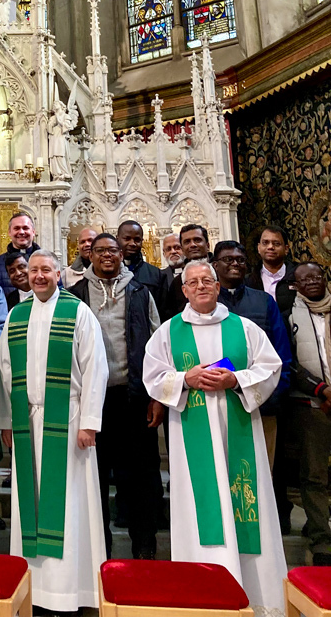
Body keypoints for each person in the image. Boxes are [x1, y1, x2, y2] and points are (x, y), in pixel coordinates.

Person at [143, 259, 287, 614]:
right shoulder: (168, 331)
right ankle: (203, 594)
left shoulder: (244, 327)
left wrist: (236, 379)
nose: (201, 286)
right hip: (191, 430)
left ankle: (256, 594)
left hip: (238, 425)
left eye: (207, 280)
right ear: (184, 290)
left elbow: (271, 368)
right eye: (193, 282)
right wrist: (185, 379)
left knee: (245, 501)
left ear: (218, 286)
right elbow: (152, 376)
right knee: (200, 503)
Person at [0, 250, 108, 612]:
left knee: (69, 505)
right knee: (31, 503)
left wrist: (90, 421)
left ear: (59, 274)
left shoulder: (78, 312)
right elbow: (5, 370)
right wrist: (6, 420)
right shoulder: (17, 315)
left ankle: (71, 590)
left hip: (69, 420)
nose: (39, 276)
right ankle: (35, 590)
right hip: (27, 421)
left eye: (46, 270)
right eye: (33, 271)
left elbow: (96, 367)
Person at [69, 233, 163, 558]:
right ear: (90, 255)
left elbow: (157, 346)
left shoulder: (140, 292)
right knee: (93, 478)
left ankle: (144, 549)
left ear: (122, 255)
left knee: (140, 478)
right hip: (91, 401)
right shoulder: (76, 295)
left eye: (112, 250)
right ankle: (99, 552)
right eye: (100, 250)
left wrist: (156, 396)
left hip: (133, 397)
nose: (107, 255)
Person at [212, 240, 291, 468]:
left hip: (262, 403)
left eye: (240, 260)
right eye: (228, 259)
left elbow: (281, 352)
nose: (235, 264)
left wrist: (273, 394)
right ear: (215, 265)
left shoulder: (263, 301)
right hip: (218, 406)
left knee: (262, 471)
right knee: (223, 471)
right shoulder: (207, 303)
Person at [283, 262, 331, 564]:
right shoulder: (289, 315)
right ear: (296, 286)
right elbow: (289, 361)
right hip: (313, 404)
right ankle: (322, 540)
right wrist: (321, 390)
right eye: (305, 279)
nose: (312, 282)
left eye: (317, 276)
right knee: (314, 475)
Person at [163, 223, 212, 320]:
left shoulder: (222, 273)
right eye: (187, 242)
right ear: (183, 249)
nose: (192, 245)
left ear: (207, 245)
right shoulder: (177, 282)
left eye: (197, 240)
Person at [0, 212, 40, 296]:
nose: (21, 232)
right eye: (16, 228)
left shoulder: (47, 261)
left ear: (33, 232)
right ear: (9, 232)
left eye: (25, 228)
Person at [117, 220, 165, 313]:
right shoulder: (109, 272)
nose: (132, 243)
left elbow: (162, 311)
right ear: (117, 239)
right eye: (127, 239)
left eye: (137, 240)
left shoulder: (156, 274)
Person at [247, 225, 296, 312]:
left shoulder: (298, 277)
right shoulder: (248, 282)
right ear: (259, 248)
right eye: (265, 243)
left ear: (286, 249)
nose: (270, 247)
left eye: (276, 243)